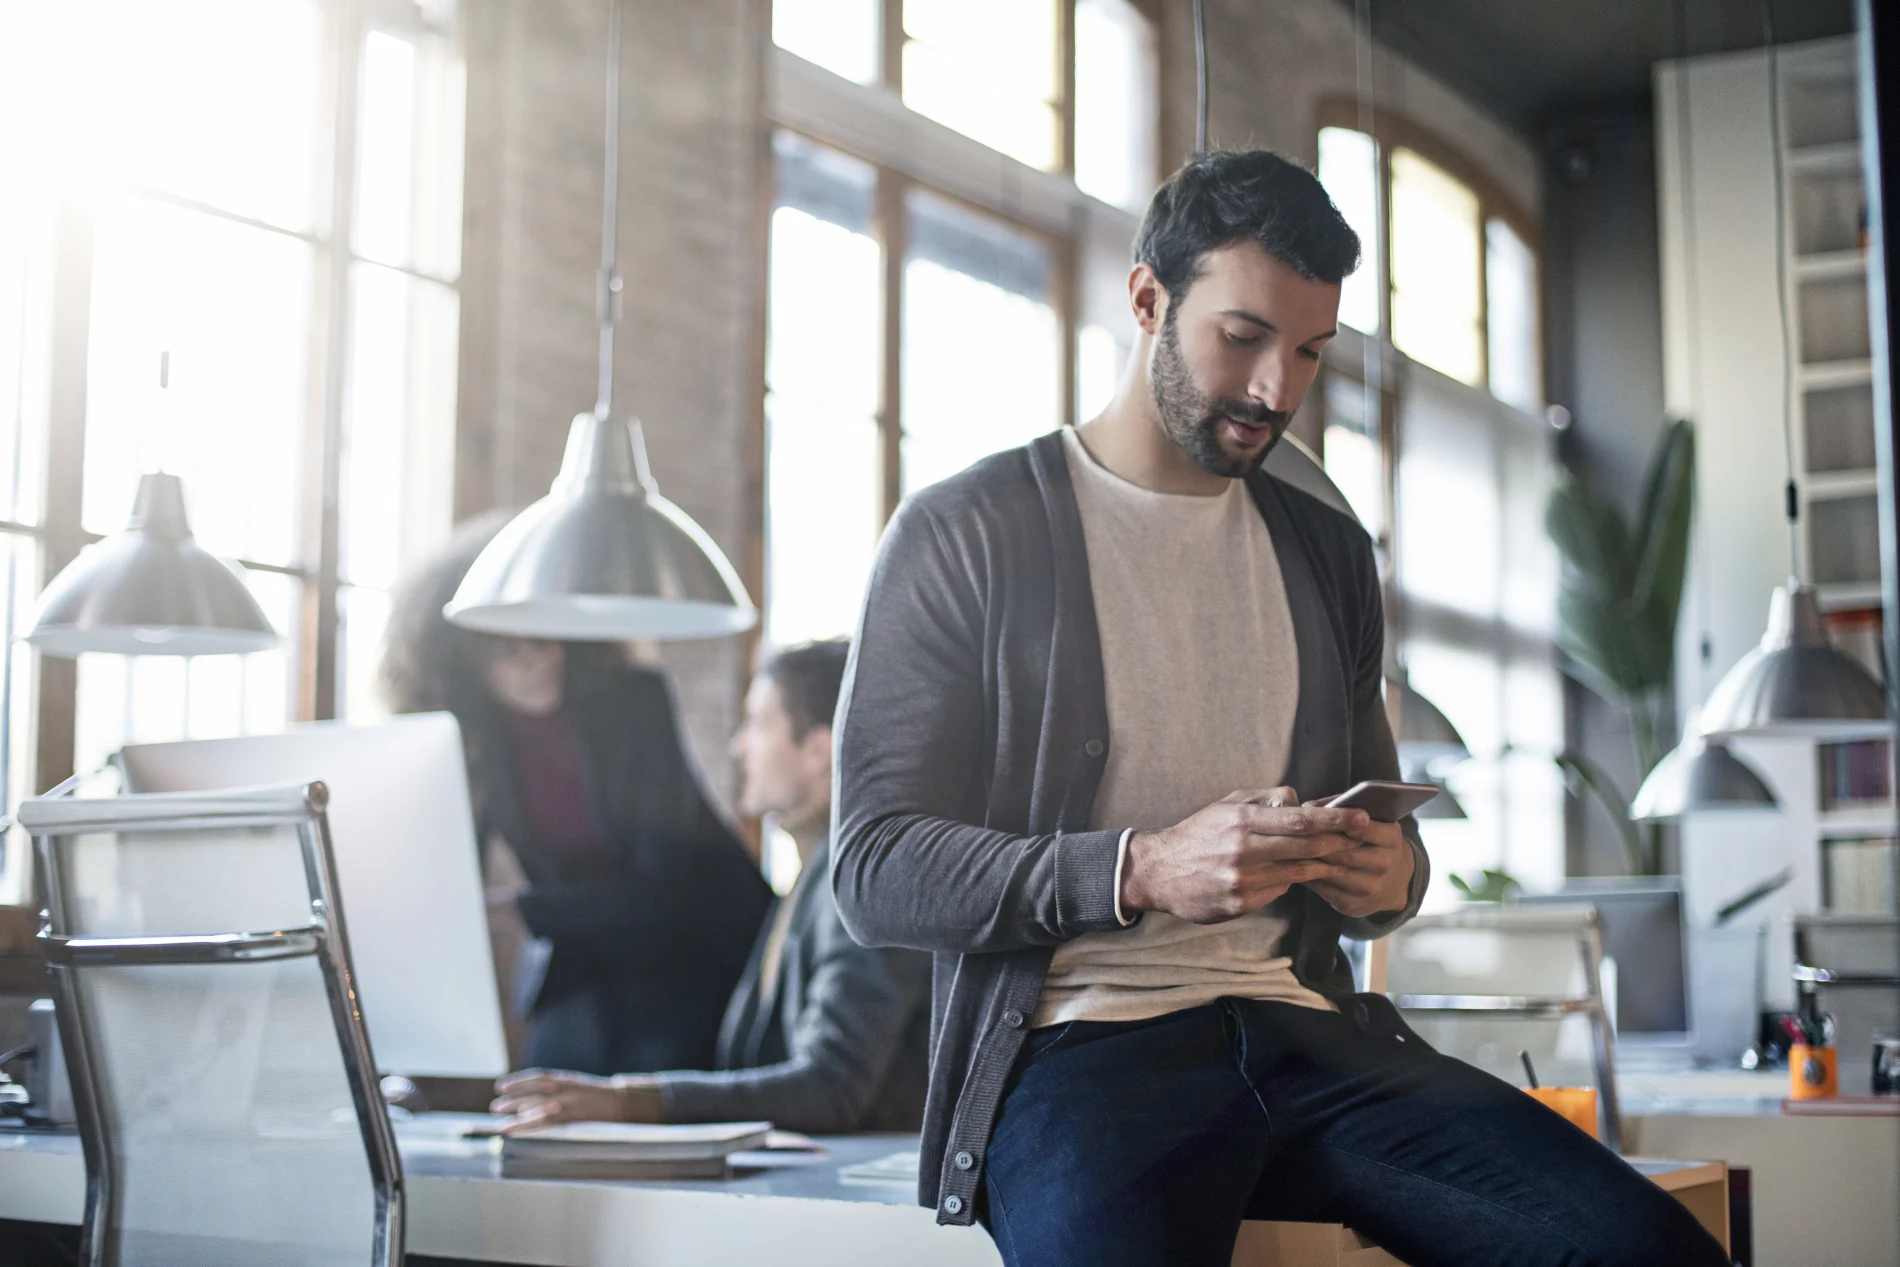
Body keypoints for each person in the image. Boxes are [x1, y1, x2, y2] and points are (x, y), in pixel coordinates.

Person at [829, 150, 1729, 1267]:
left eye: (1307, 351)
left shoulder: (1328, 552)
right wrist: (1141, 866)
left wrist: (1383, 874)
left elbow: (1391, 867)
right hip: (1079, 1051)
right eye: (1243, 337)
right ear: (1147, 297)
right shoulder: (965, 533)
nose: (1276, 390)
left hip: (1315, 1040)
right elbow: (873, 867)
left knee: (1654, 1250)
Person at [380, 513, 772, 1076]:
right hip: (586, 955)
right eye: (503, 645)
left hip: (695, 951)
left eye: (543, 631)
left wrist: (522, 909)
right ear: (459, 653)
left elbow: (668, 885)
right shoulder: (472, 736)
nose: (533, 657)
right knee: (541, 1095)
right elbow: (450, 875)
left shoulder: (634, 700)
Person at [488, 639, 930, 1134]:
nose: (738, 747)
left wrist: (626, 1102)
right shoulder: (811, 877)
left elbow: (833, 1086)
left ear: (819, 750)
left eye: (759, 725)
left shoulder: (864, 883)